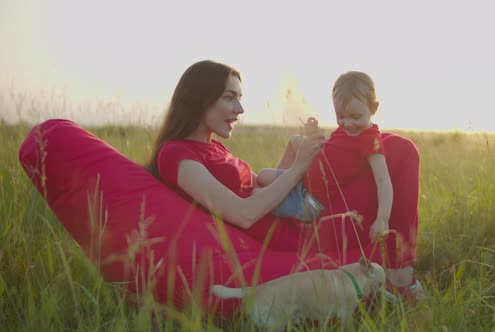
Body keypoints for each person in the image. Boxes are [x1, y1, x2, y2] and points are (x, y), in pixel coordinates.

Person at [145, 60, 423, 304]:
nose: (240, 108)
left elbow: (264, 190)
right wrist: (299, 166)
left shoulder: (215, 148)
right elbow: (244, 213)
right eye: (230, 98)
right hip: (300, 233)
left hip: (294, 214)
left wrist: (293, 153)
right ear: (199, 99)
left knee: (387, 144)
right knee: (401, 150)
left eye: (240, 98)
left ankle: (399, 269)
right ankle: (401, 275)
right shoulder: (176, 154)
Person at [256, 71, 424, 302]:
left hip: (309, 204)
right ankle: (257, 198)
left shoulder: (370, 141)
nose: (347, 123)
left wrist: (382, 217)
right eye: (340, 116)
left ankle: (256, 205)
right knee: (263, 176)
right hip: (301, 186)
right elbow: (331, 154)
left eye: (355, 116)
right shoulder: (346, 130)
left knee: (262, 199)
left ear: (374, 109)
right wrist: (313, 135)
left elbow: (383, 182)